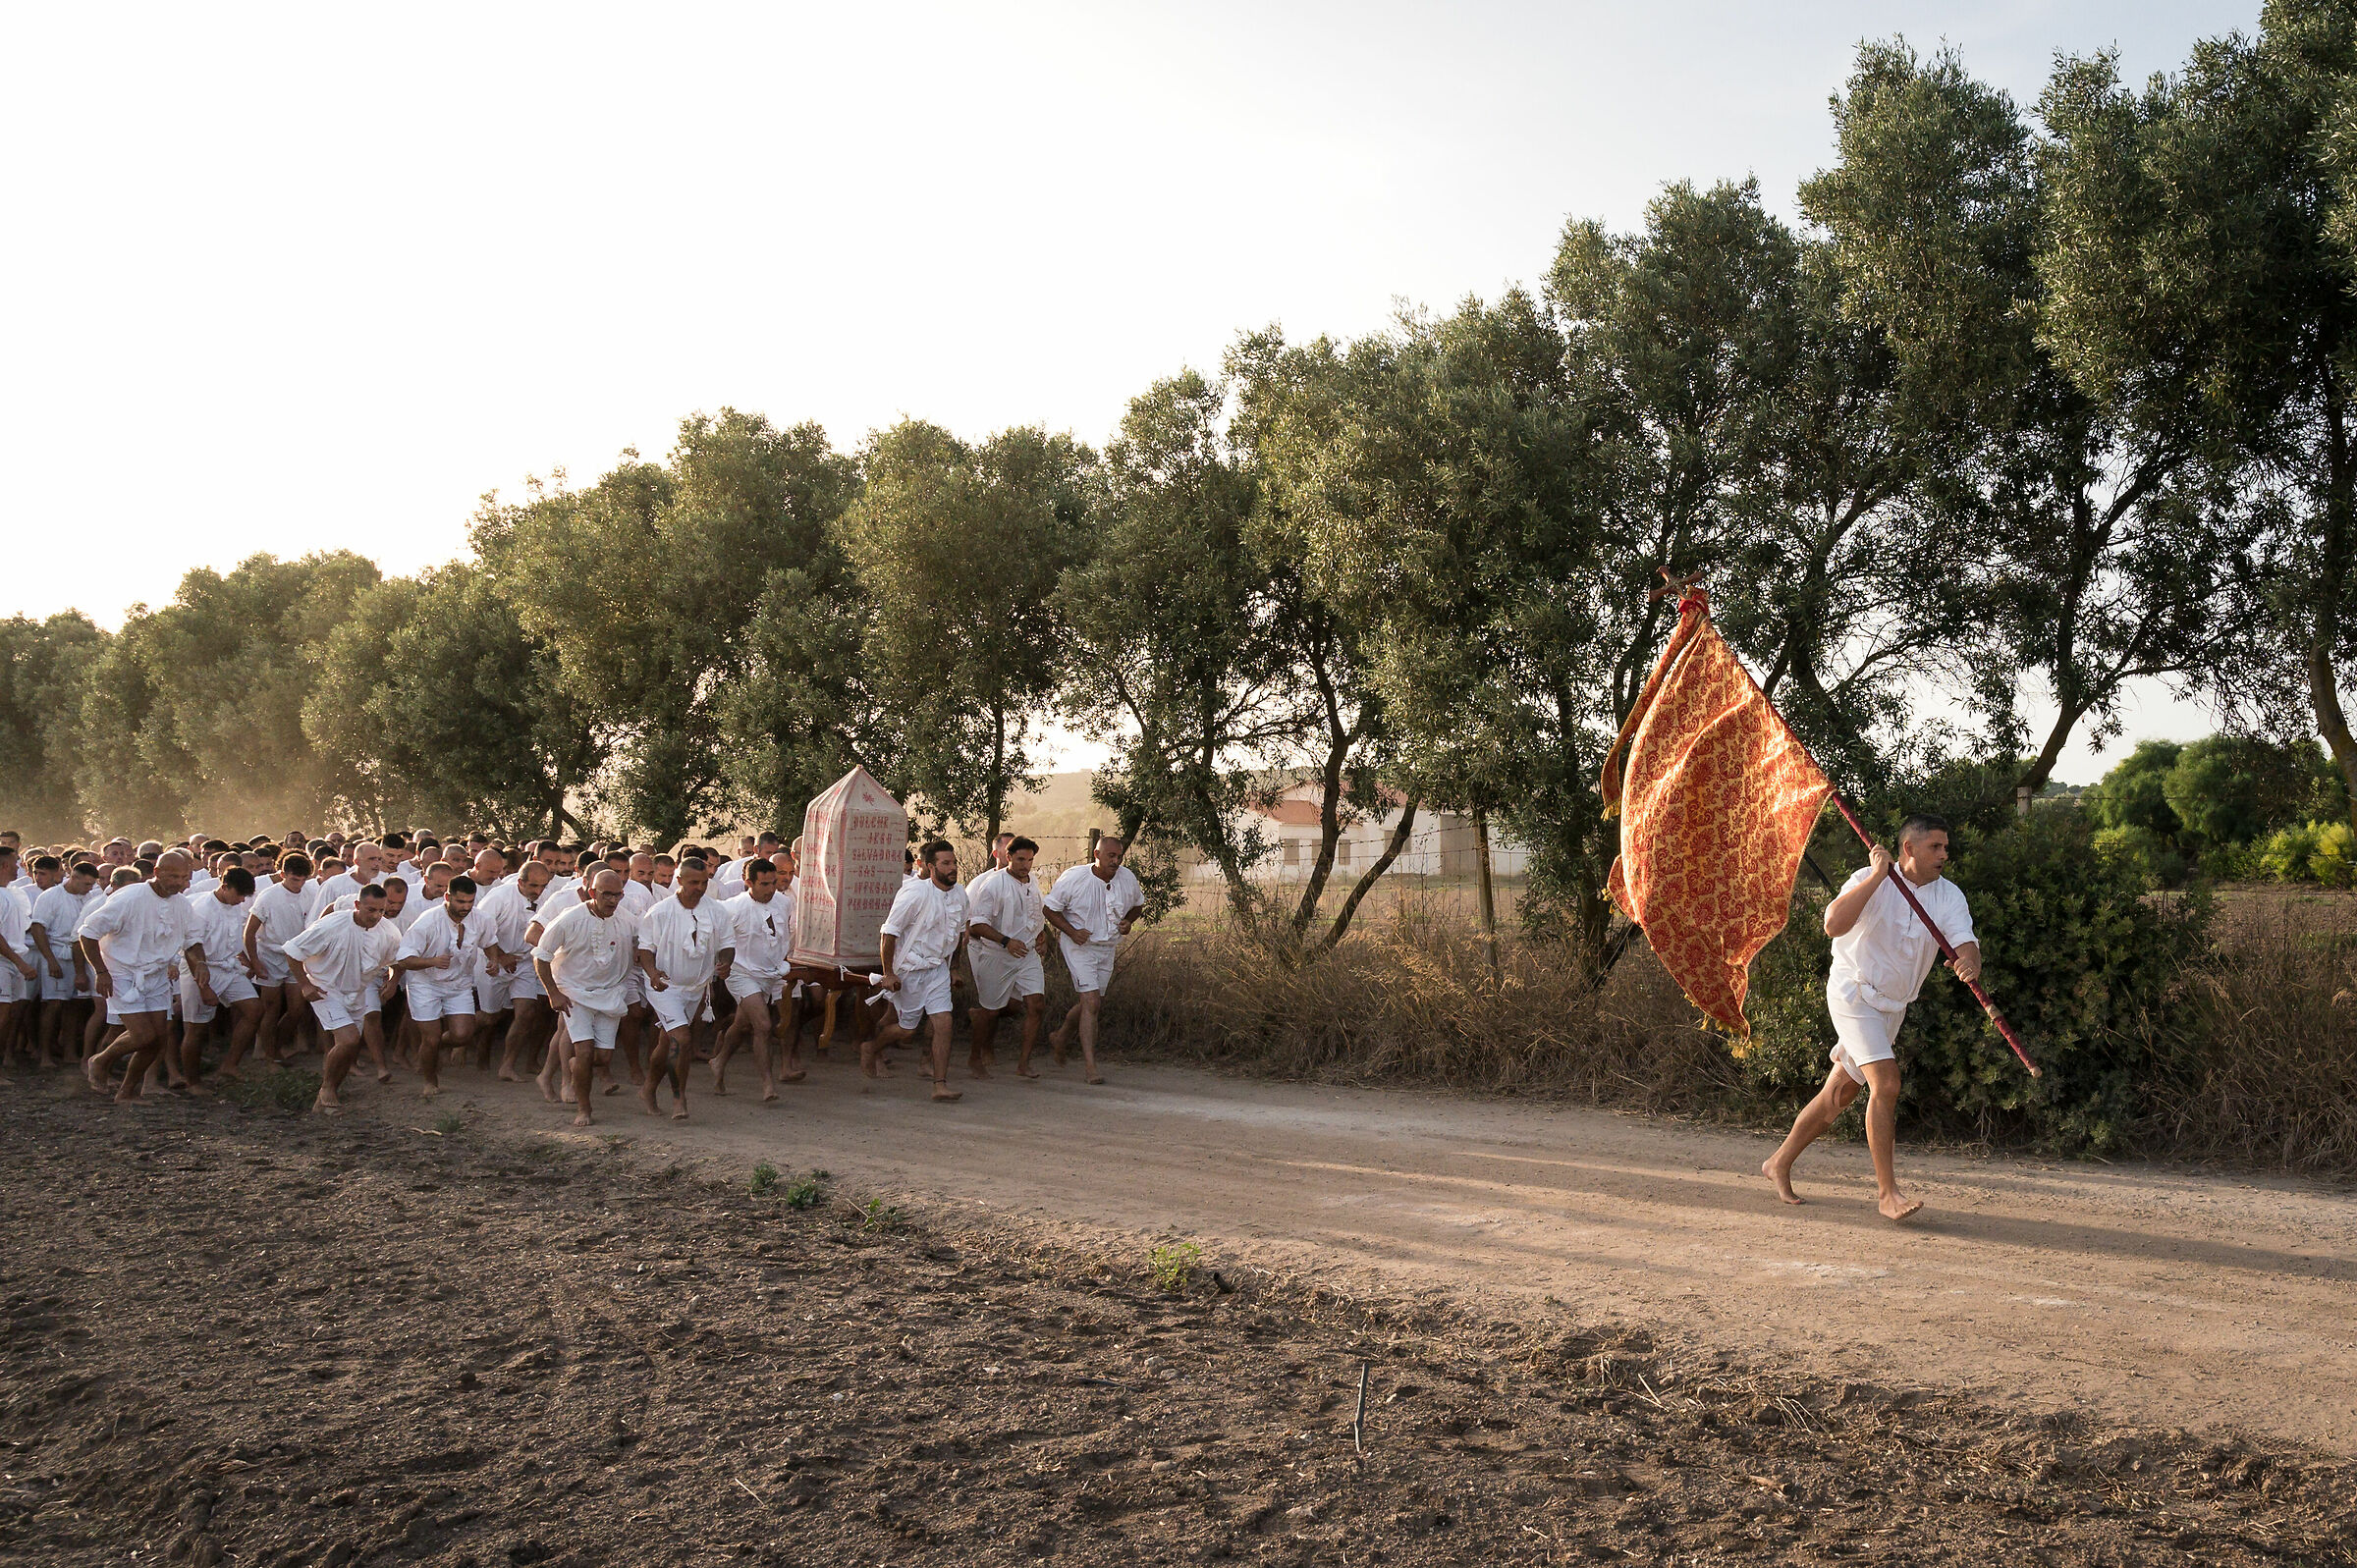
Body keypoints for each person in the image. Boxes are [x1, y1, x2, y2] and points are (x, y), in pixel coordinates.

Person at [1763, 815, 1979, 1223]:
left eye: (1946, 847)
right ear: (1908, 849)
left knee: (1838, 1095)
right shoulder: (1870, 876)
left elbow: (1965, 943)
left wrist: (1968, 962)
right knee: (1887, 1082)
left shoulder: (1949, 896)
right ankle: (1887, 1194)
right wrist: (1879, 875)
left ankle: (1779, 1161)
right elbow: (1833, 925)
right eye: (1936, 847)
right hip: (1853, 994)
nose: (1944, 855)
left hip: (1892, 1008)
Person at [76, 849, 197, 1104]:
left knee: (158, 1040)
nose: (178, 882)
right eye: (173, 876)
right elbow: (87, 933)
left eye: (184, 877)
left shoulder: (183, 904)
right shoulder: (129, 897)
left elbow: (193, 940)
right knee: (143, 1036)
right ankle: (100, 1060)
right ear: (156, 873)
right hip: (121, 972)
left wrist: (202, 965)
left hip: (156, 974)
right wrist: (101, 971)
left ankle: (127, 1091)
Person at [280, 885, 404, 1113]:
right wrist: (305, 985)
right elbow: (293, 951)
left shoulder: (389, 933)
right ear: (357, 905)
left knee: (350, 1046)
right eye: (371, 910)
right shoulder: (331, 924)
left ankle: (324, 1100)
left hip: (358, 992)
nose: (376, 916)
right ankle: (327, 1088)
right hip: (324, 989)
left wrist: (393, 980)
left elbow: (397, 962)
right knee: (348, 1039)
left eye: (381, 911)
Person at [532, 870, 637, 1127]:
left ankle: (573, 1066)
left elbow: (644, 943)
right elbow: (541, 956)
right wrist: (553, 993)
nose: (613, 900)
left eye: (618, 894)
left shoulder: (627, 919)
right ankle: (584, 1108)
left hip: (610, 993)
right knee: (585, 1050)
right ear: (592, 892)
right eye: (607, 894)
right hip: (574, 994)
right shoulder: (569, 919)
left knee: (601, 1058)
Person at [632, 858, 732, 1120]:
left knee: (668, 1043)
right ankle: (679, 1098)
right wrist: (652, 974)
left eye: (703, 882)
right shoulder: (660, 912)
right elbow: (644, 949)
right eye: (693, 882)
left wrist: (726, 963)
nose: (699, 887)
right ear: (679, 881)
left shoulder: (717, 910)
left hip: (697, 988)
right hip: (664, 987)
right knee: (683, 1039)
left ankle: (648, 1089)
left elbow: (728, 944)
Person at [871, 839, 966, 1103]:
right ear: (929, 866)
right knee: (906, 1030)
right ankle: (872, 1048)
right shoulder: (915, 893)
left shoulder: (960, 895)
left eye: (954, 862)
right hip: (910, 970)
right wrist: (888, 972)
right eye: (946, 863)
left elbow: (960, 933)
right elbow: (889, 933)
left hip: (937, 970)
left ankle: (940, 1084)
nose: (953, 868)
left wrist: (954, 968)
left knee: (944, 1024)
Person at [1043, 835, 1143, 1084]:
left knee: (1094, 1002)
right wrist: (1072, 932)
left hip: (1107, 946)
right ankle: (1091, 1067)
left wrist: (1129, 921)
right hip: (1079, 946)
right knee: (1091, 1001)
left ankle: (1061, 1035)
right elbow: (1049, 909)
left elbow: (1138, 905)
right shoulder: (1074, 878)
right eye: (1111, 856)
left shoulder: (1127, 878)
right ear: (1096, 855)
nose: (1116, 861)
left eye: (1119, 856)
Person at [392, 873, 481, 1098]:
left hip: (459, 983)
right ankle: (430, 1081)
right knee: (430, 1038)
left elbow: (490, 941)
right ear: (447, 897)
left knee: (463, 1034)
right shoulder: (427, 921)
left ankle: (431, 1050)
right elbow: (403, 959)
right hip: (425, 984)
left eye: (470, 902)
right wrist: (431, 961)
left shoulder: (480, 918)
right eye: (461, 902)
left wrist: (496, 960)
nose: (466, 907)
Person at [965, 836, 1048, 1079]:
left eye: (1030, 860)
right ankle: (974, 1057)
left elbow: (1034, 917)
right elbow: (977, 925)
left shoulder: (1033, 883)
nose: (1026, 865)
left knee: (1036, 1004)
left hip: (1027, 955)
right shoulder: (992, 885)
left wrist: (1040, 936)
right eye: (1021, 859)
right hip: (996, 955)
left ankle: (1024, 1064)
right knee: (991, 1012)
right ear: (1008, 857)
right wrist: (1005, 941)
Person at [715, 856, 796, 1098]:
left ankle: (718, 1061)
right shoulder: (731, 908)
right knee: (763, 1024)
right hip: (741, 972)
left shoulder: (783, 903)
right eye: (764, 884)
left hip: (771, 972)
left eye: (773, 883)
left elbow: (782, 937)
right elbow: (718, 941)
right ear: (747, 882)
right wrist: (721, 965)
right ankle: (767, 1085)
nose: (771, 889)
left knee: (741, 1024)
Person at [179, 866, 262, 1089]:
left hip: (228, 967)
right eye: (239, 894)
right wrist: (204, 987)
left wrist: (245, 960)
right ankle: (192, 1082)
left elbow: (232, 938)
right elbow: (190, 948)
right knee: (196, 1028)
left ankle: (229, 1065)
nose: (241, 900)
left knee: (255, 1010)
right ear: (224, 887)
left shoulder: (233, 904)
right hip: (199, 969)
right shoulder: (202, 908)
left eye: (245, 896)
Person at [475, 860, 554, 1086]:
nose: (538, 891)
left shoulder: (547, 898)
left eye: (543, 886)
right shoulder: (498, 898)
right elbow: (480, 932)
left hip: (525, 963)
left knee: (527, 1012)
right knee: (490, 1017)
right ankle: (462, 1042)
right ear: (520, 882)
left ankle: (507, 1065)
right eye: (533, 886)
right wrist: (499, 956)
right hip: (492, 960)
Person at [244, 852, 315, 1063]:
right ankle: (270, 1055)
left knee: (297, 1009)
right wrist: (255, 961)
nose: (299, 884)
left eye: (303, 880)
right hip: (269, 957)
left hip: (295, 957)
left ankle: (277, 1046)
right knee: (271, 1008)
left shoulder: (309, 894)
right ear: (282, 873)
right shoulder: (268, 896)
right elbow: (249, 932)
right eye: (294, 879)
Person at [29, 859, 98, 1067]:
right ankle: (45, 1055)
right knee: (54, 1004)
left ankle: (69, 1052)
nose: (89, 888)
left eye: (91, 885)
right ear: (73, 877)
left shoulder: (89, 898)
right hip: (56, 953)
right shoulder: (51, 896)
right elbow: (38, 928)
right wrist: (50, 960)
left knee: (75, 1005)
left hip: (80, 955)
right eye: (86, 884)